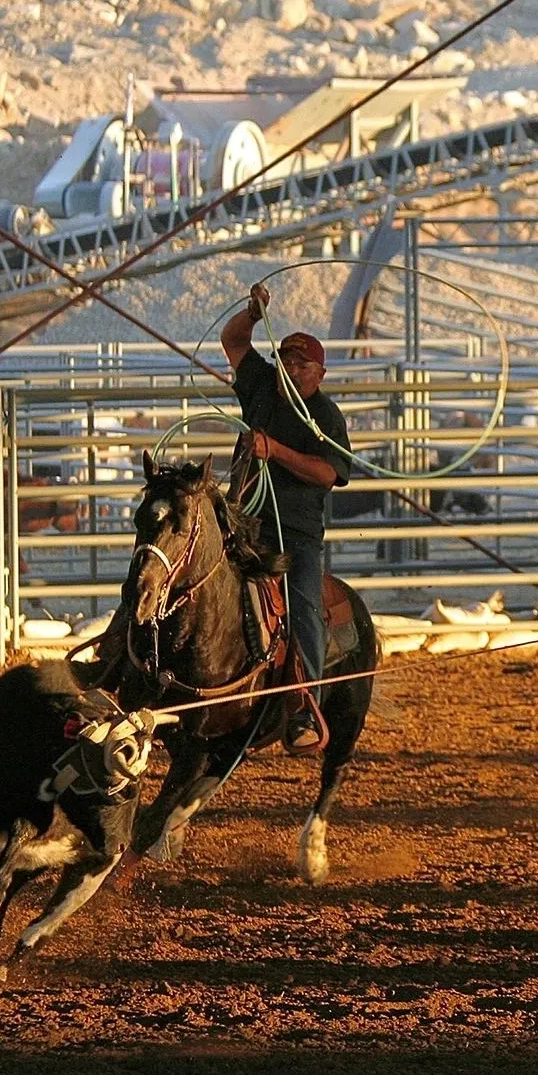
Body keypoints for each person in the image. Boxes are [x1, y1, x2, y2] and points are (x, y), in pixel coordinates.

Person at [220, 282, 353, 753]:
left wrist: (274, 450)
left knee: (303, 607)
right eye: (286, 362)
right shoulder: (260, 385)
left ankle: (305, 705)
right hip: (243, 519)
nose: (291, 370)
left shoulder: (325, 415)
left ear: (320, 373)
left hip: (293, 531)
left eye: (301, 365)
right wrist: (253, 313)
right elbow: (233, 341)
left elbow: (327, 473)